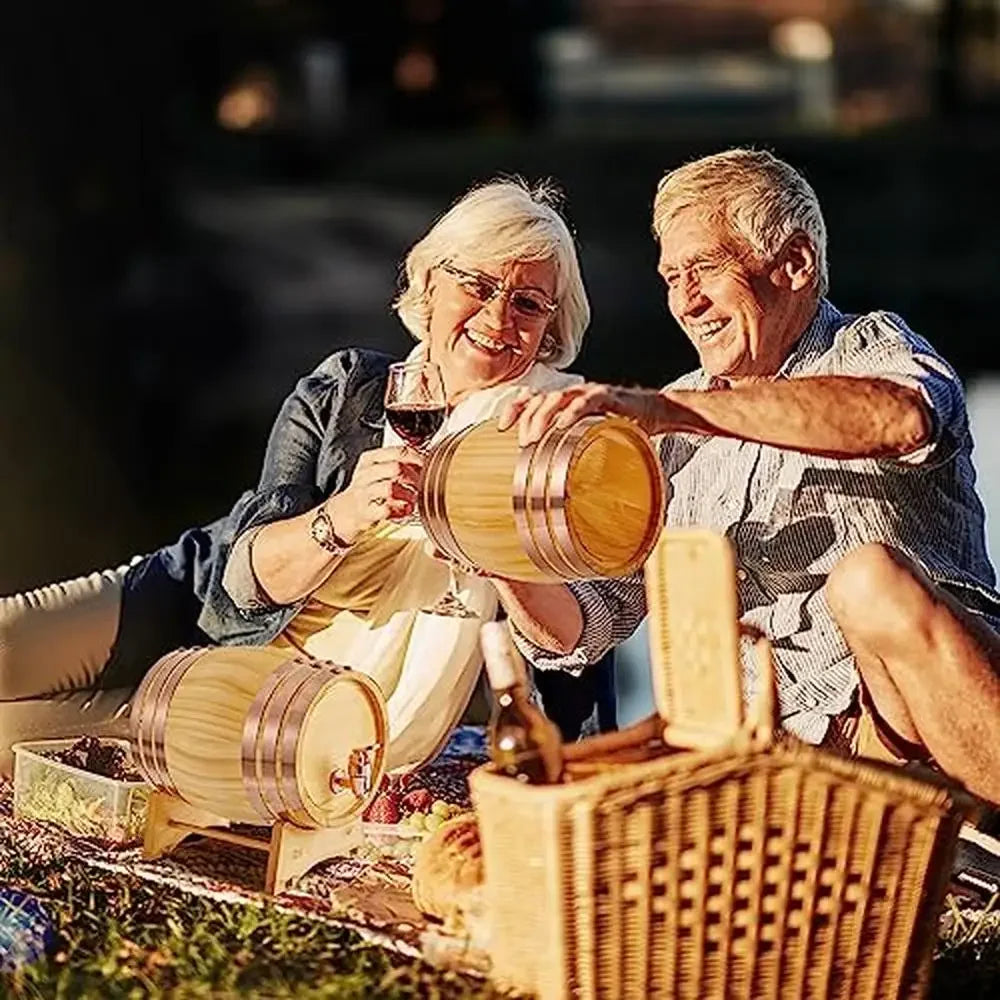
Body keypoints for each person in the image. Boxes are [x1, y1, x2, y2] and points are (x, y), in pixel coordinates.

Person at [0, 177, 596, 773]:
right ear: (432, 283)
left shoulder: (548, 443)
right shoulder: (346, 388)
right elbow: (244, 581)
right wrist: (345, 514)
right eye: (478, 284)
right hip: (197, 597)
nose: (497, 316)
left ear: (550, 329)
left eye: (527, 303)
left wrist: (491, 552)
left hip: (286, 704)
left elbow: (571, 636)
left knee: (13, 736)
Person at [499, 148, 1000, 805]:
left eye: (704, 268)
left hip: (920, 730)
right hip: (778, 765)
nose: (685, 301)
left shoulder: (866, 349)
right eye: (671, 277)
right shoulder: (666, 424)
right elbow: (584, 627)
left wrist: (666, 411)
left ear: (794, 265)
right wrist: (499, 550)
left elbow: (904, 418)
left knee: (867, 580)